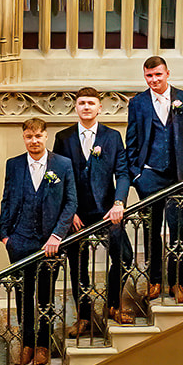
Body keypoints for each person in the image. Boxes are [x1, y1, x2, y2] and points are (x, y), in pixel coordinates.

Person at [126, 57, 183, 304]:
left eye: (158, 74)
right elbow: (131, 143)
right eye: (149, 76)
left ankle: (178, 282)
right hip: (149, 177)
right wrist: (137, 176)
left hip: (179, 176)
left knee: (178, 233)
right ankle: (155, 280)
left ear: (168, 73)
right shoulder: (138, 103)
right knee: (151, 232)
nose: (154, 80)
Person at [52, 89, 132, 333]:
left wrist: (119, 203)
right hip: (76, 214)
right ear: (75, 107)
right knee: (78, 266)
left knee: (125, 258)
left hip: (107, 211)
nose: (86, 107)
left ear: (100, 108)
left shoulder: (112, 137)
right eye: (82, 103)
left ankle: (114, 305)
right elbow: (57, 178)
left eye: (91, 103)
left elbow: (124, 172)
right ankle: (84, 316)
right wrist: (69, 212)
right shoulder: (63, 138)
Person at [0, 118, 77, 365]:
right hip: (19, 241)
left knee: (45, 297)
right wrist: (5, 235)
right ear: (24, 138)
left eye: (38, 136)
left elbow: (70, 203)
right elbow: (7, 198)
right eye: (29, 137)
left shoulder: (62, 165)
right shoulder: (13, 165)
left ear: (46, 136)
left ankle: (43, 345)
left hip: (49, 244)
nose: (34, 141)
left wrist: (57, 236)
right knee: (23, 296)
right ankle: (27, 344)